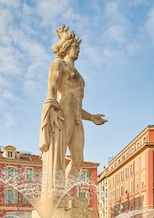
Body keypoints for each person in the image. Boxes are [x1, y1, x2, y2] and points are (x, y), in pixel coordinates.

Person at [39, 24, 107, 193]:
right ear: (67, 47)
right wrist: (51, 110)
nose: (78, 50)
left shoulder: (80, 77)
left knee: (78, 160)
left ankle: (65, 193)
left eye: (79, 47)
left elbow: (77, 104)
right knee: (59, 156)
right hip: (62, 114)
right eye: (75, 47)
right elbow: (52, 91)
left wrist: (91, 117)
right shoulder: (58, 64)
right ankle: (56, 193)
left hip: (77, 118)